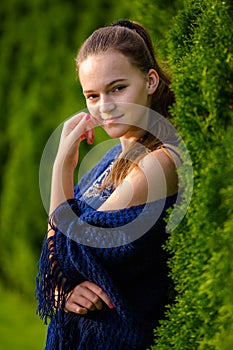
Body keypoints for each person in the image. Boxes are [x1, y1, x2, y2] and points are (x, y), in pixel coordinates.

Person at [36, 19, 181, 350]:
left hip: (120, 338)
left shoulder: (160, 163)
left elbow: (72, 250)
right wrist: (62, 291)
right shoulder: (111, 159)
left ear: (150, 81)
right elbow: (56, 257)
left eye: (117, 88)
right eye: (92, 94)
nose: (105, 107)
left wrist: (62, 166)